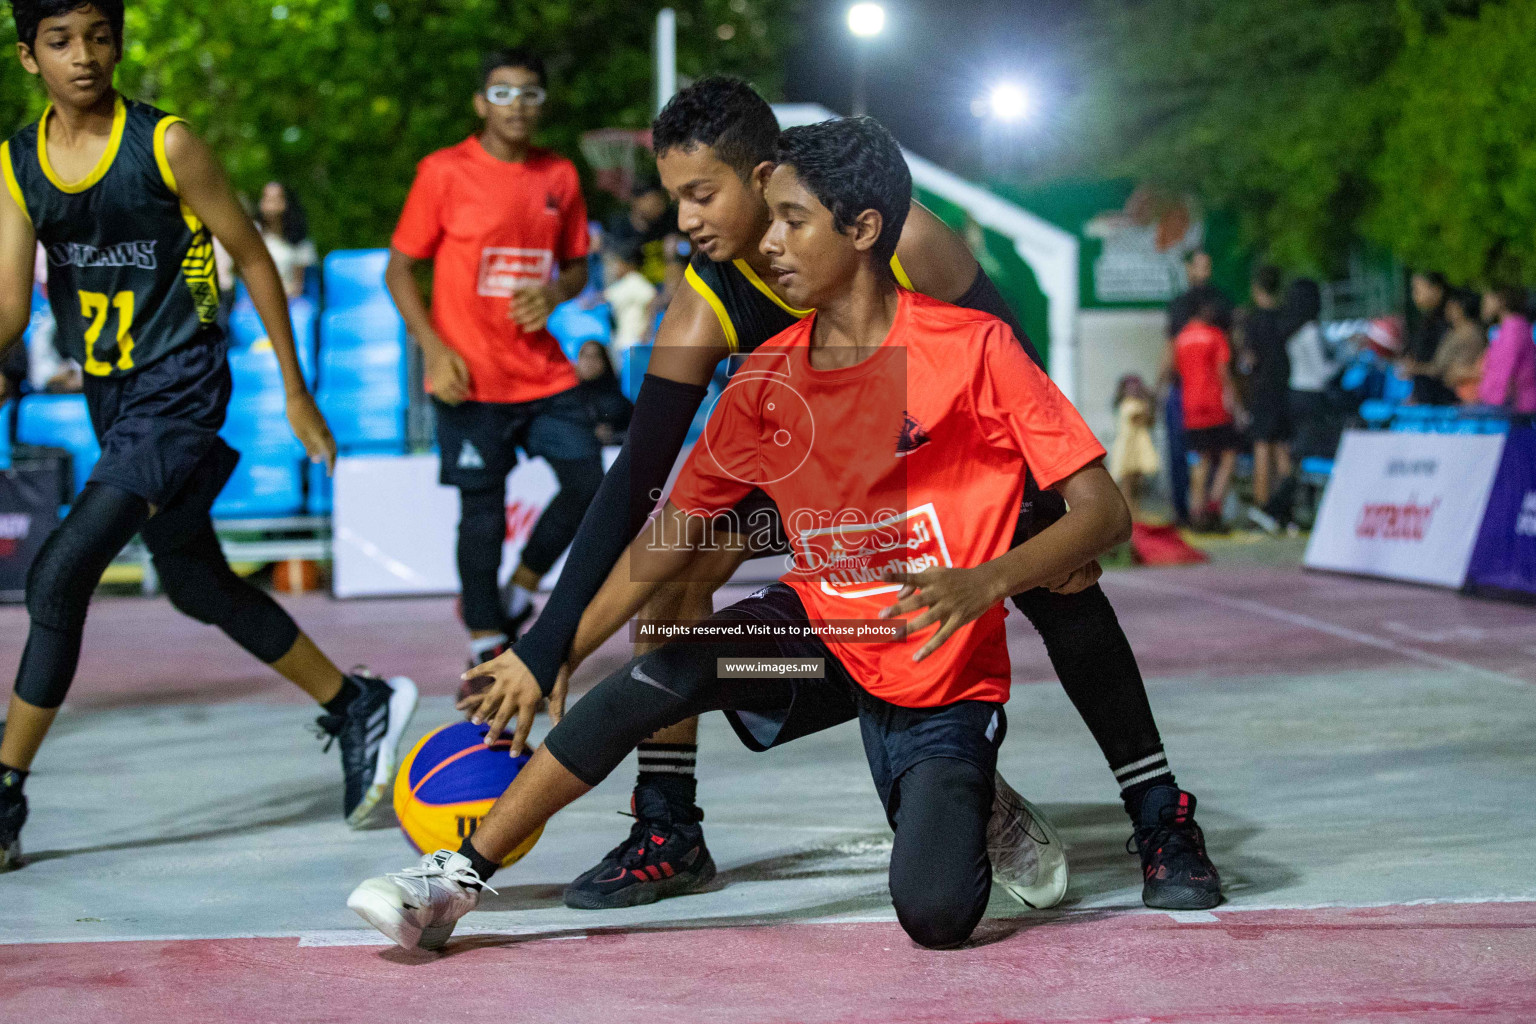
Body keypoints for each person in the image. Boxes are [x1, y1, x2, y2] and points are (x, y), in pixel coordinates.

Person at [347, 115, 1139, 952]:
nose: (773, 244)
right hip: (811, 646)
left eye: (794, 222)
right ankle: (453, 877)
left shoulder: (970, 346)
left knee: (936, 916)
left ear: (864, 231)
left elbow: (1104, 512)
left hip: (938, 666)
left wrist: (989, 580)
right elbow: (666, 539)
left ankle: (964, 787)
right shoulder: (769, 377)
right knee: (664, 671)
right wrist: (559, 648)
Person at [0, 0, 418, 869]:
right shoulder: (15, 163)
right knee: (191, 578)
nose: (85, 56)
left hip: (182, 385)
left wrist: (299, 394)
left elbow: (255, 256)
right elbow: (9, 307)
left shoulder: (166, 143)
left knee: (61, 570)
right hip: (111, 397)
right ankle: (355, 704)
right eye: (61, 41)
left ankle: (5, 792)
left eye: (100, 37)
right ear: (28, 55)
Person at [383, 49, 604, 668]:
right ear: (481, 103)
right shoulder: (443, 171)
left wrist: (555, 292)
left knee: (591, 485)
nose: (517, 106)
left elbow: (578, 264)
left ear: (542, 104)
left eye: (530, 94)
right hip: (468, 377)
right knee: (480, 516)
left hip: (542, 371)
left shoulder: (559, 174)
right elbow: (399, 272)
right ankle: (485, 640)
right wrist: (435, 350)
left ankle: (522, 588)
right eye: (503, 94)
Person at [1163, 249, 1231, 526]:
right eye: (1199, 266)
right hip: (1197, 391)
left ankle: (1197, 513)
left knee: (1202, 457)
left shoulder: (1219, 303)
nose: (1205, 272)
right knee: (1205, 456)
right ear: (1189, 268)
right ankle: (1198, 511)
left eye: (1208, 265)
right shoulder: (1182, 306)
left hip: (1197, 393)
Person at [1172, 296, 1240, 531]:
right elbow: (1223, 372)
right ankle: (1213, 507)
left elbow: (1178, 371)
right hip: (1215, 406)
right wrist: (1236, 404)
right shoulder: (1215, 335)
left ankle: (1196, 514)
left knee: (1199, 461)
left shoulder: (1181, 339)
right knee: (1229, 455)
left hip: (1191, 407)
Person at [1238, 265, 1291, 512]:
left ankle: (1262, 504)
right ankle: (1286, 501)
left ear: (1256, 289)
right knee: (1281, 446)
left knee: (1261, 445)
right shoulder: (1286, 318)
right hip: (1284, 388)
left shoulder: (1253, 320)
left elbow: (1248, 360)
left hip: (1262, 389)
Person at [1478, 285, 1536, 413]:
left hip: (1515, 412)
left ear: (1502, 300)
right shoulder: (1508, 329)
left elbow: (1505, 373)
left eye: (1488, 297)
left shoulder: (1514, 330)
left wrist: (1491, 404)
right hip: (1509, 408)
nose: (1484, 302)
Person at [255, 181, 316, 301]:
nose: (271, 205)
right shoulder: (254, 235)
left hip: (290, 299)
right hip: (257, 299)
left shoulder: (299, 240)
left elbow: (298, 285)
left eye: (276, 199)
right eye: (267, 198)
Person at [1108, 374, 1159, 520]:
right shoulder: (1128, 405)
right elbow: (1140, 419)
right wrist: (1150, 402)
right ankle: (1129, 512)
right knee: (1127, 483)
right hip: (1129, 447)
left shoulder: (1140, 404)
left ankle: (1135, 510)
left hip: (1138, 446)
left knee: (1137, 483)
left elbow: (1150, 422)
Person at [600, 238, 657, 358]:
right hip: (623, 342)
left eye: (617, 263)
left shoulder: (635, 280)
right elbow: (605, 297)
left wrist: (647, 329)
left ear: (628, 264)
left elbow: (651, 298)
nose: (614, 268)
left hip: (635, 341)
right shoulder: (622, 284)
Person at [573, 339, 631, 444]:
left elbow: (636, 434)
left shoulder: (619, 402)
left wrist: (612, 435)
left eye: (595, 356)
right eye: (584, 356)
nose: (589, 362)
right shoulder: (567, 399)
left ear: (605, 361)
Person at [1404, 272, 1449, 403]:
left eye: (1417, 289)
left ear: (1436, 289)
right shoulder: (1427, 320)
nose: (1414, 296)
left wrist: (1416, 368)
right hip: (1426, 396)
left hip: (1442, 399)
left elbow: (1441, 366)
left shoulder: (1447, 321)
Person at [1435, 288, 1486, 405]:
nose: (1447, 310)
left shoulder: (1470, 333)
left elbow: (1478, 368)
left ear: (1460, 308)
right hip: (1456, 392)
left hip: (1469, 395)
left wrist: (1461, 373)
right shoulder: (1455, 331)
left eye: (1451, 306)